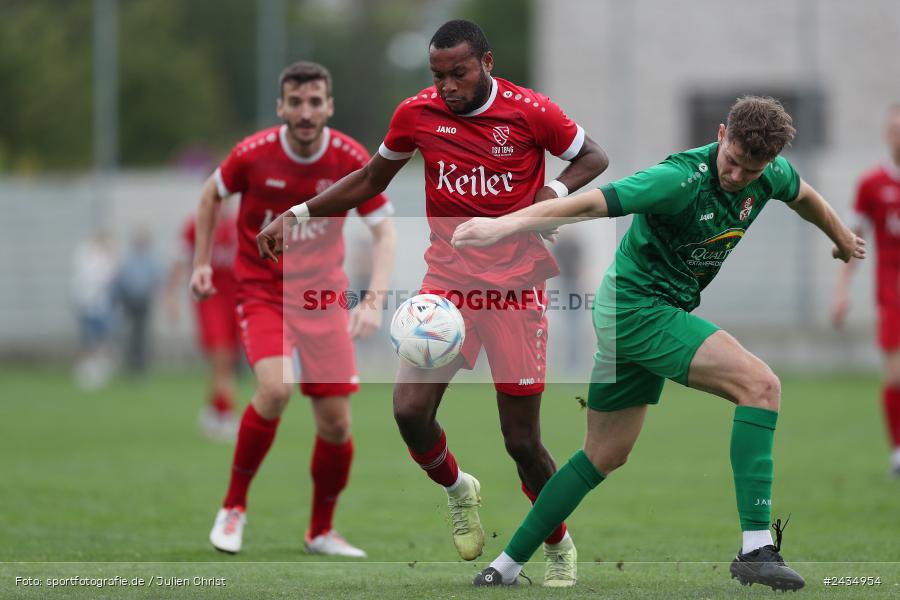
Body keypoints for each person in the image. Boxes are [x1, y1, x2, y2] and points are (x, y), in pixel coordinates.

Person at [452, 96, 866, 591]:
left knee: (603, 454)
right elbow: (595, 202)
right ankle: (756, 547)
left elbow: (804, 196)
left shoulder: (769, 174)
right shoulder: (678, 179)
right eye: (731, 161)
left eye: (750, 172)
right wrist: (504, 224)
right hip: (638, 311)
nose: (736, 176)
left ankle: (505, 566)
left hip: (630, 314)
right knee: (761, 387)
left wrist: (841, 237)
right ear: (720, 135)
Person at [257, 20, 608, 586]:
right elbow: (370, 177)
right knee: (408, 411)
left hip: (517, 291)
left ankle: (558, 542)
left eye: (459, 73)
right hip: (447, 285)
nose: (446, 85)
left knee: (522, 442)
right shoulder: (416, 113)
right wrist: (295, 215)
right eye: (438, 74)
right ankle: (457, 487)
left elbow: (593, 156)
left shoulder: (530, 110)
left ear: (487, 63)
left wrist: (550, 195)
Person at [197, 61, 397, 557]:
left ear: (329, 106)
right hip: (263, 293)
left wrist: (372, 300)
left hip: (322, 299)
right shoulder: (253, 154)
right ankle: (234, 507)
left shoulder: (351, 157)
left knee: (336, 424)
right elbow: (210, 194)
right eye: (296, 102)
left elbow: (385, 231)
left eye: (315, 102)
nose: (305, 112)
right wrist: (202, 263)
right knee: (275, 388)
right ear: (280, 107)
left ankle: (321, 531)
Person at [833, 104, 900, 477]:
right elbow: (852, 241)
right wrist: (842, 290)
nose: (898, 136)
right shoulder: (871, 184)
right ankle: (897, 451)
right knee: (894, 374)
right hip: (892, 289)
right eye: (894, 129)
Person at [166, 206, 240, 440]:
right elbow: (179, 260)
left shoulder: (239, 224)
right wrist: (171, 296)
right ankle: (227, 414)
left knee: (226, 363)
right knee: (220, 356)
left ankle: (212, 411)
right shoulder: (196, 225)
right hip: (210, 300)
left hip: (236, 301)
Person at [71, 230, 117, 389]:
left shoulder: (107, 258)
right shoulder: (86, 254)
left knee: (101, 337)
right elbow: (85, 279)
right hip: (87, 303)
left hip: (102, 305)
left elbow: (110, 278)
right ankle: (85, 369)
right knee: (87, 338)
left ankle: (99, 368)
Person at [116, 227, 163, 375]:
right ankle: (130, 363)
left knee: (142, 334)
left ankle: (141, 365)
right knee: (129, 333)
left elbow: (156, 278)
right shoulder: (129, 258)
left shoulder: (151, 259)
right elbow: (123, 278)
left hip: (144, 300)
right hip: (130, 300)